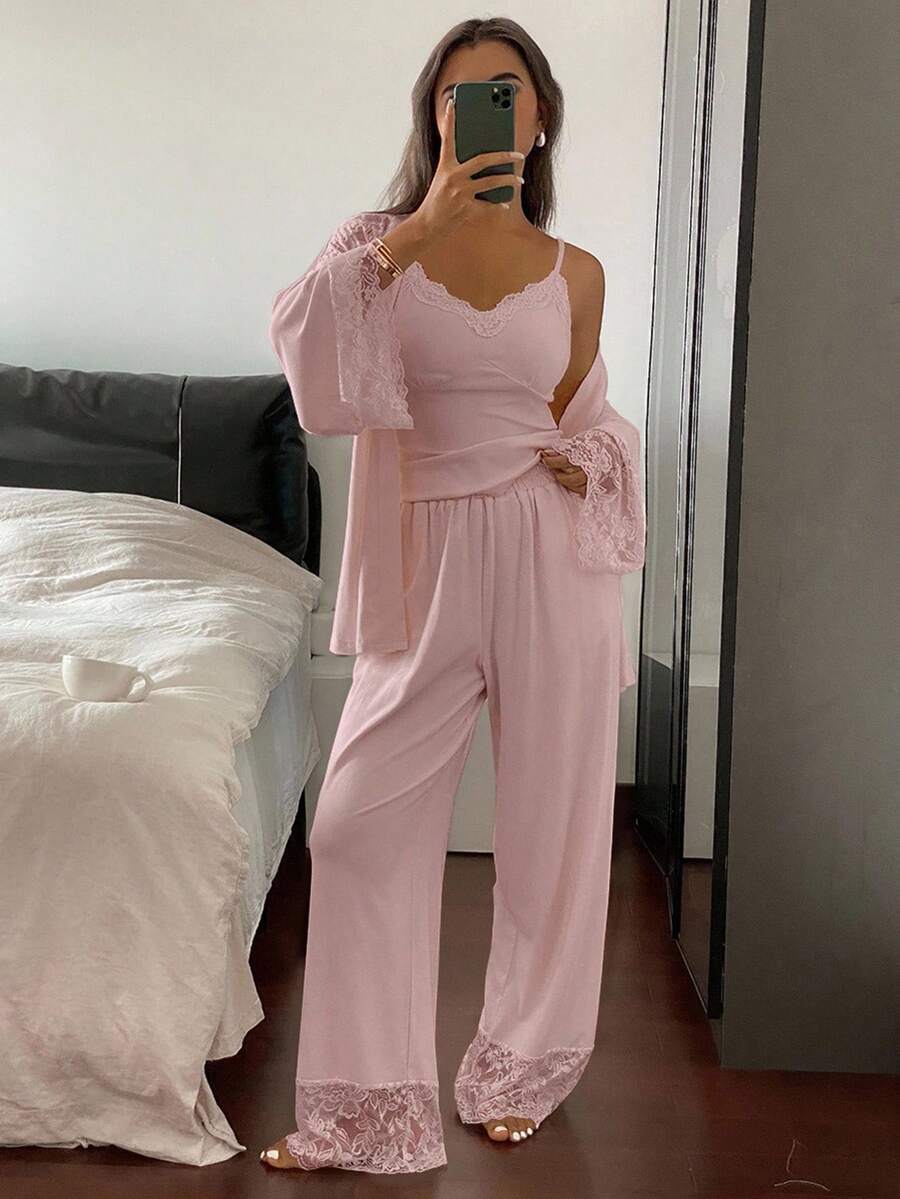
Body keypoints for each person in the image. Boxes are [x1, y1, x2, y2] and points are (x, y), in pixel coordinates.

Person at [260, 16, 646, 1175]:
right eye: (458, 94)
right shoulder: (372, 247)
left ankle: (522, 1066)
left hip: (549, 553)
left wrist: (594, 459)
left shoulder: (577, 273)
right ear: (434, 117)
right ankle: (368, 1106)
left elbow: (589, 418)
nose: (483, 109)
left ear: (540, 120)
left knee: (554, 825)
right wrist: (416, 232)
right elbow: (308, 358)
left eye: (507, 90)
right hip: (422, 554)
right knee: (354, 822)